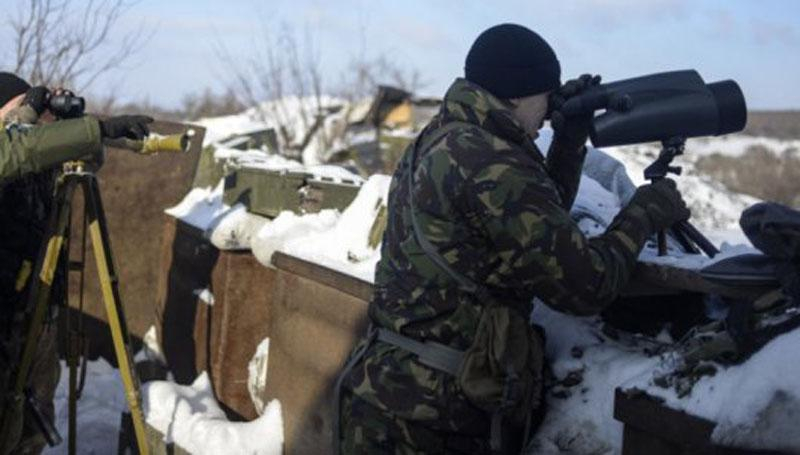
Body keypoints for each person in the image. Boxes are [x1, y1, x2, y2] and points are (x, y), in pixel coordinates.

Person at [336, 23, 691, 454]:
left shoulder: (446, 137)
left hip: (387, 393)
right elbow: (584, 284)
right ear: (518, 92)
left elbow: (529, 227)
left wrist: (569, 140)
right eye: (547, 95)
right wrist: (644, 212)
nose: (547, 110)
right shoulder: (492, 161)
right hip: (433, 419)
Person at [0, 71, 152, 454]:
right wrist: (26, 116)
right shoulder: (11, 148)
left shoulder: (32, 149)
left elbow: (85, 159)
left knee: (32, 424)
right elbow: (14, 153)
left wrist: (72, 126)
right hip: (5, 320)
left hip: (36, 313)